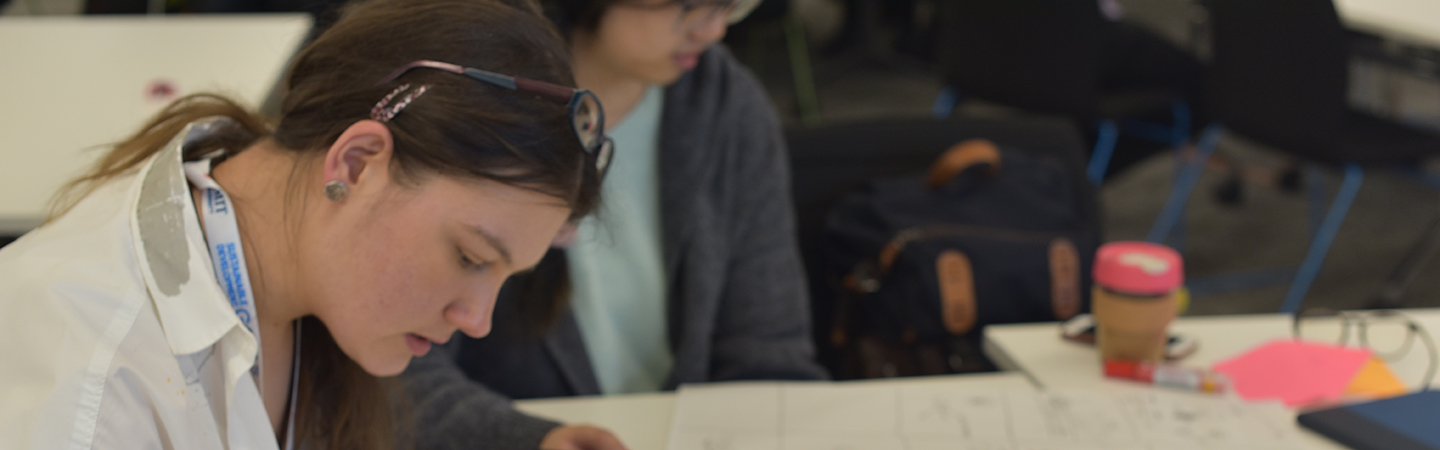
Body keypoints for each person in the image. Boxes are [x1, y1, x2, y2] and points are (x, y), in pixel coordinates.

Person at [0, 0, 609, 448]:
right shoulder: (91, 368)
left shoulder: (301, 276)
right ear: (356, 162)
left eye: (505, 277)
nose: (478, 320)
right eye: (471, 257)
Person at [401, 0, 828, 449]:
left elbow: (767, 351)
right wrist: (527, 439)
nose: (712, 30)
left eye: (729, 5)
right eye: (688, 6)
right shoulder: (469, 105)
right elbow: (394, 372)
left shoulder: (723, 103)